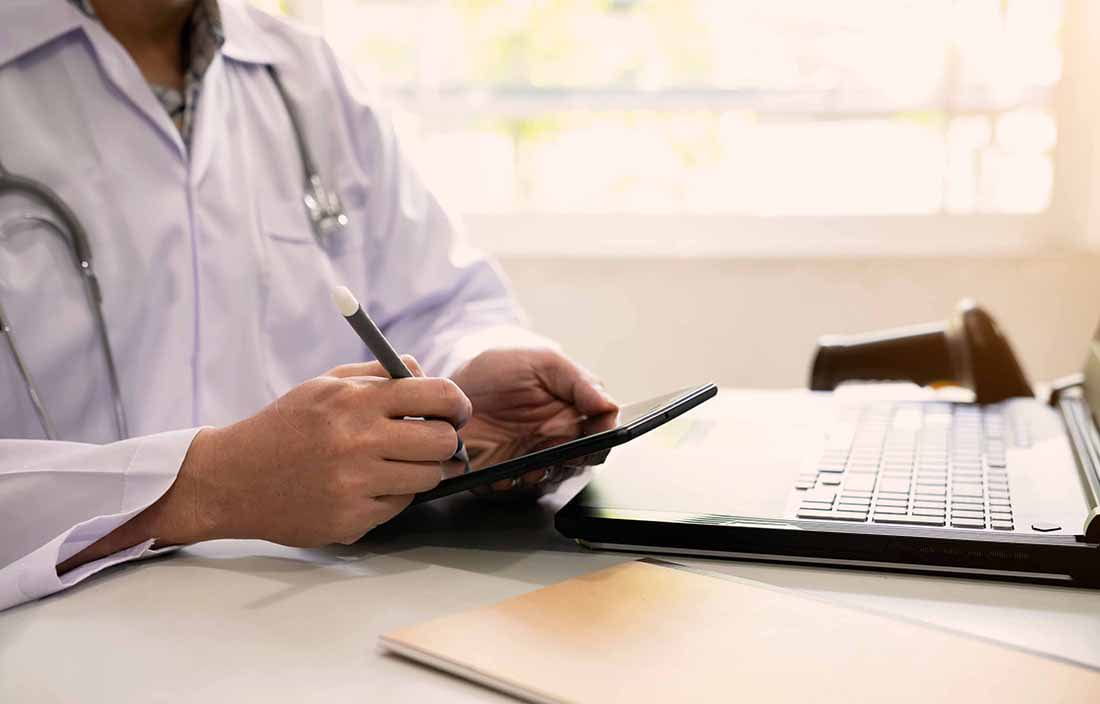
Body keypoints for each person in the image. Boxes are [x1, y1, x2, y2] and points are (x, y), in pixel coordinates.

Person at [0, 0, 616, 611]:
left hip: (320, 609)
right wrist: (207, 486)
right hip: (54, 637)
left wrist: (467, 378)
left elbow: (442, 301)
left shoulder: (306, 73)